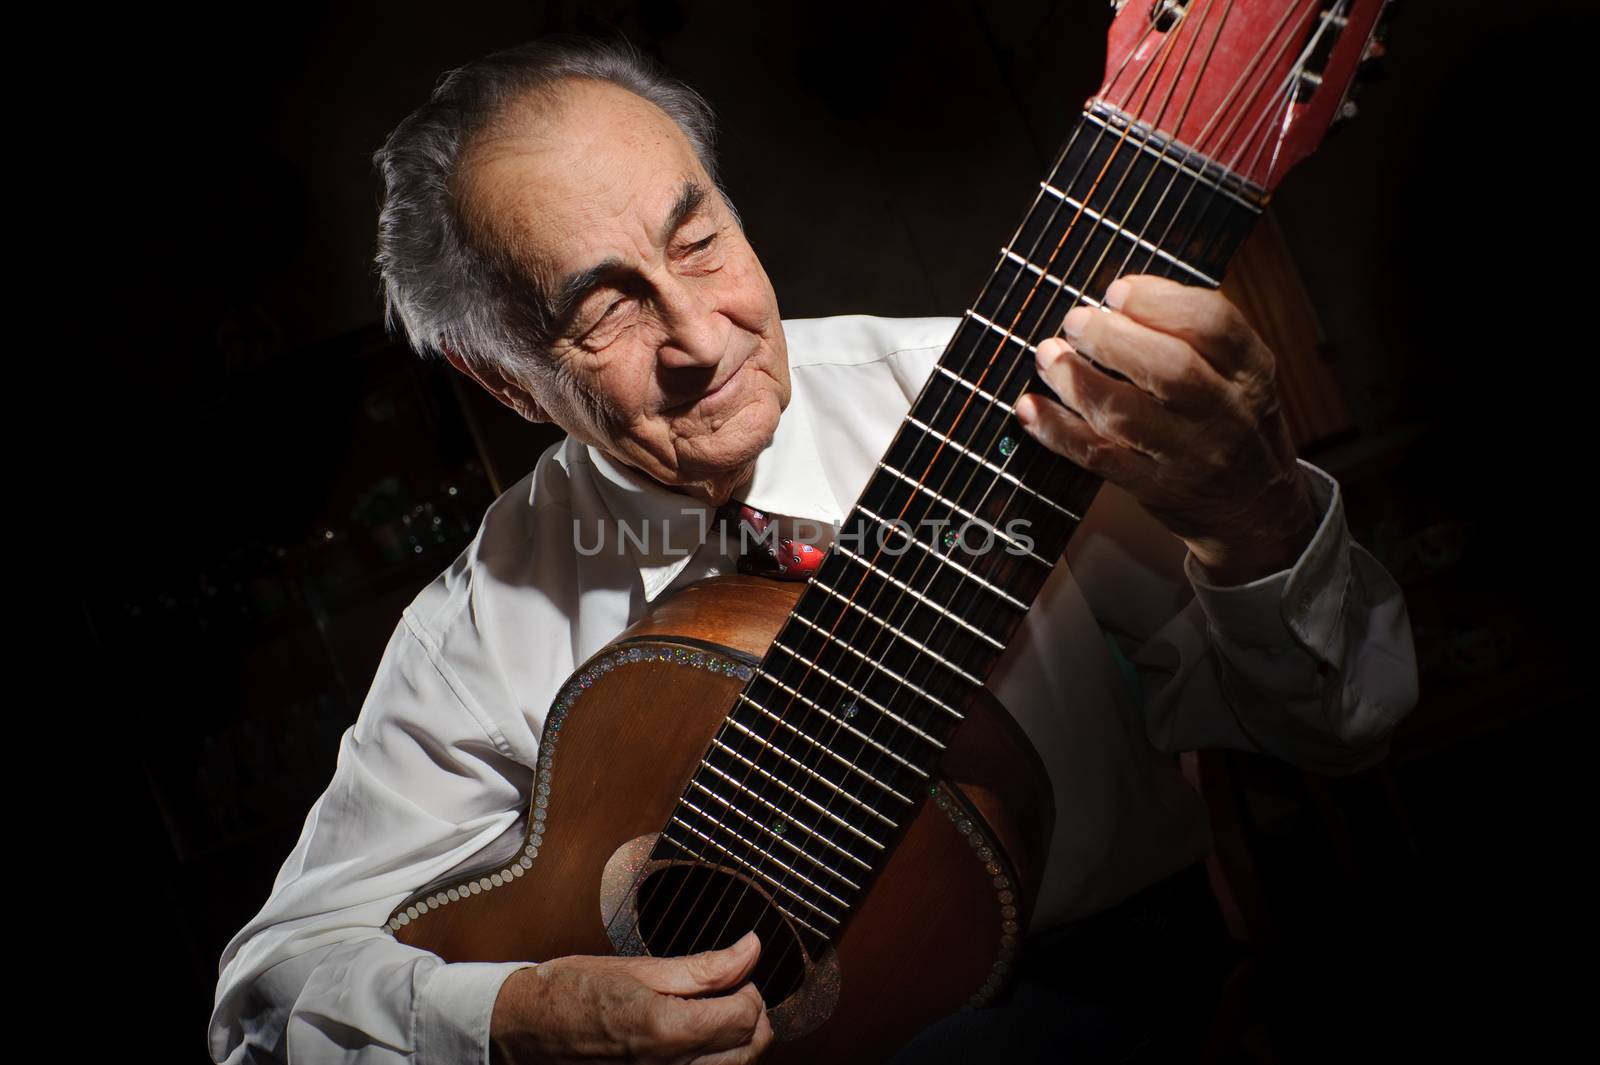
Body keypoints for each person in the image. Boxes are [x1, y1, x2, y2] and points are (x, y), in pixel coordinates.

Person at [209, 37, 1418, 1065]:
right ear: (504, 381)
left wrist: (1256, 518)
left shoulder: (1006, 404)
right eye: (606, 310)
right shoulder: (476, 630)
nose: (702, 333)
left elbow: (1341, 723)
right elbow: (262, 1005)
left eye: (701, 242)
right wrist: (518, 1014)